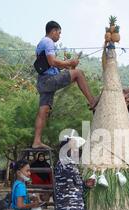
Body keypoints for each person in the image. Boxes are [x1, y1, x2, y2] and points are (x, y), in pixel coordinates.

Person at [33, 21, 99, 149]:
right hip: (48, 80)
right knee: (78, 73)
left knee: (43, 111)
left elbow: (51, 65)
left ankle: (37, 141)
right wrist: (70, 62)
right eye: (59, 32)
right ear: (53, 31)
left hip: (43, 81)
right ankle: (92, 101)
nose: (59, 36)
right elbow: (52, 62)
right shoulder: (48, 42)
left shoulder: (41, 43)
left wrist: (69, 66)